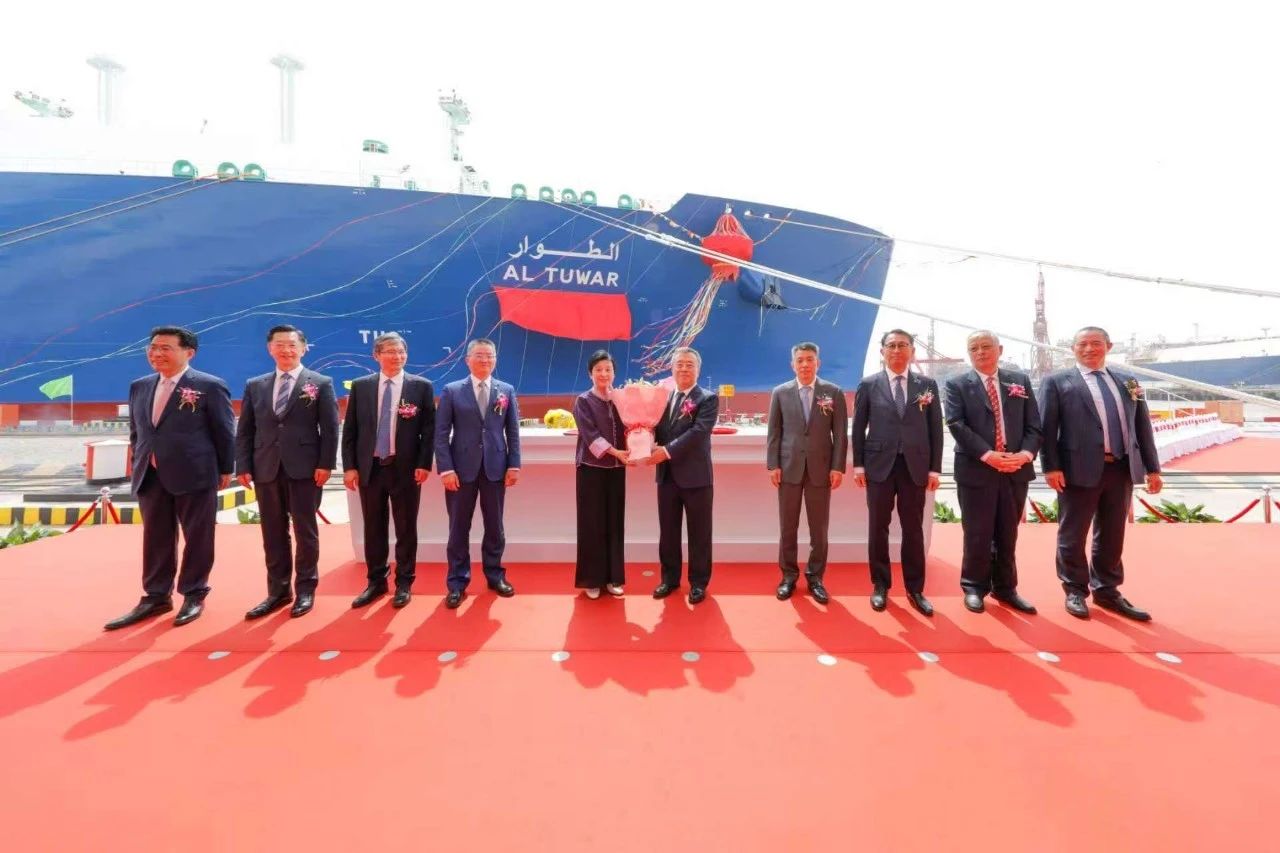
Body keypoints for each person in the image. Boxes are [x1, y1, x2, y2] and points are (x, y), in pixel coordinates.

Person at [104, 326, 235, 630]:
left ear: (189, 353)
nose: (157, 353)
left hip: (195, 473)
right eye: (153, 347)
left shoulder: (209, 386)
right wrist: (138, 463)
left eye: (166, 348)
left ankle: (194, 593)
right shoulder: (140, 386)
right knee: (156, 537)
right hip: (150, 474)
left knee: (198, 536)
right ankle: (156, 595)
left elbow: (224, 431)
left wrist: (225, 469)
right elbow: (137, 432)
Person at [1039, 325, 1163, 621]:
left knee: (1112, 533)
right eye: (1082, 344)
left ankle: (1107, 590)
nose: (1089, 349)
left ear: (1109, 346)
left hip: (1121, 468)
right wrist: (1051, 467)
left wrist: (1152, 468)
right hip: (1076, 470)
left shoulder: (1127, 382)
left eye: (1096, 343)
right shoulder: (1056, 382)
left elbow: (1142, 426)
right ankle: (1074, 590)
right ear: (1073, 349)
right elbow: (1046, 429)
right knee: (1072, 534)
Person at [235, 325, 339, 620]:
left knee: (305, 531)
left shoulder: (320, 383)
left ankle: (305, 589)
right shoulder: (256, 385)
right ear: (270, 349)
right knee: (272, 532)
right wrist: (243, 465)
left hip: (305, 468)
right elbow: (246, 429)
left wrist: (325, 464)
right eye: (279, 344)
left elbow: (330, 429)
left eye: (292, 345)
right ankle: (278, 591)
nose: (286, 350)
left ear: (303, 348)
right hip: (266, 467)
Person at [943, 330, 1041, 615]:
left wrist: (1024, 455)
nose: (980, 352)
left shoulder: (1019, 381)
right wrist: (989, 455)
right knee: (977, 532)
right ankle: (974, 587)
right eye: (974, 348)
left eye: (986, 346)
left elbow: (1034, 424)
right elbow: (956, 424)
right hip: (976, 468)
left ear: (1000, 349)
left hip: (1015, 468)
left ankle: (1006, 588)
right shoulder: (957, 384)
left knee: (1008, 532)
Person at [851, 329, 944, 616]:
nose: (896, 350)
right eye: (891, 345)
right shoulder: (869, 384)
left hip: (915, 466)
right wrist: (858, 465)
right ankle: (880, 585)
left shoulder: (927, 385)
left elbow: (936, 430)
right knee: (878, 527)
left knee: (913, 529)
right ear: (882, 351)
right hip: (879, 466)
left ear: (912, 350)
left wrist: (935, 469)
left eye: (902, 345)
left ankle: (915, 589)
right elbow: (858, 428)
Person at [341, 332, 435, 609]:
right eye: (390, 351)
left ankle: (404, 583)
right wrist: (350, 467)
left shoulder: (421, 387)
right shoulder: (361, 387)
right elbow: (351, 430)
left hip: (405, 469)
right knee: (373, 527)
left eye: (401, 351)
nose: (397, 356)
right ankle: (376, 582)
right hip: (370, 469)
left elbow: (428, 430)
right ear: (376, 355)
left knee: (406, 527)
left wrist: (423, 463)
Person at [434, 338, 521, 609]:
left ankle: (495, 575)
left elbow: (513, 432)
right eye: (480, 355)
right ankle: (457, 583)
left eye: (490, 356)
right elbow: (440, 434)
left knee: (495, 526)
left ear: (495, 359)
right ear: (468, 360)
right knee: (458, 528)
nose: (485, 360)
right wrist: (446, 469)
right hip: (461, 470)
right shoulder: (452, 391)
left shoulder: (506, 390)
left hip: (495, 467)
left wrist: (514, 465)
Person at [765, 342, 848, 604]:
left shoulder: (833, 392)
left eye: (809, 359)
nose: (805, 364)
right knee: (788, 526)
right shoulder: (780, 393)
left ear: (818, 363)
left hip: (821, 470)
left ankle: (815, 578)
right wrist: (773, 465)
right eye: (800, 360)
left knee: (819, 529)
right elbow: (774, 433)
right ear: (793, 364)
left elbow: (840, 434)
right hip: (788, 468)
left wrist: (837, 467)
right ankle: (788, 576)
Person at [649, 347, 718, 605]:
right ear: (672, 368)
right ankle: (669, 579)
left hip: (696, 477)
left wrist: (665, 451)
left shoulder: (707, 399)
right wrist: (640, 437)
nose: (684, 369)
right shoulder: (662, 399)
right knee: (668, 532)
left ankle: (698, 583)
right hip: (666, 477)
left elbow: (698, 433)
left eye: (690, 364)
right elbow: (655, 428)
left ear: (698, 369)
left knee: (699, 533)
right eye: (680, 364)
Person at [572, 350, 630, 599]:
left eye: (608, 369)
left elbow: (632, 426)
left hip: (617, 469)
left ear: (614, 373)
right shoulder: (583, 401)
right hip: (591, 469)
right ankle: (592, 580)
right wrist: (616, 452)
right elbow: (590, 435)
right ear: (590, 374)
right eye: (598, 370)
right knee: (592, 524)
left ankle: (613, 578)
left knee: (615, 523)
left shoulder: (622, 399)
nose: (604, 374)